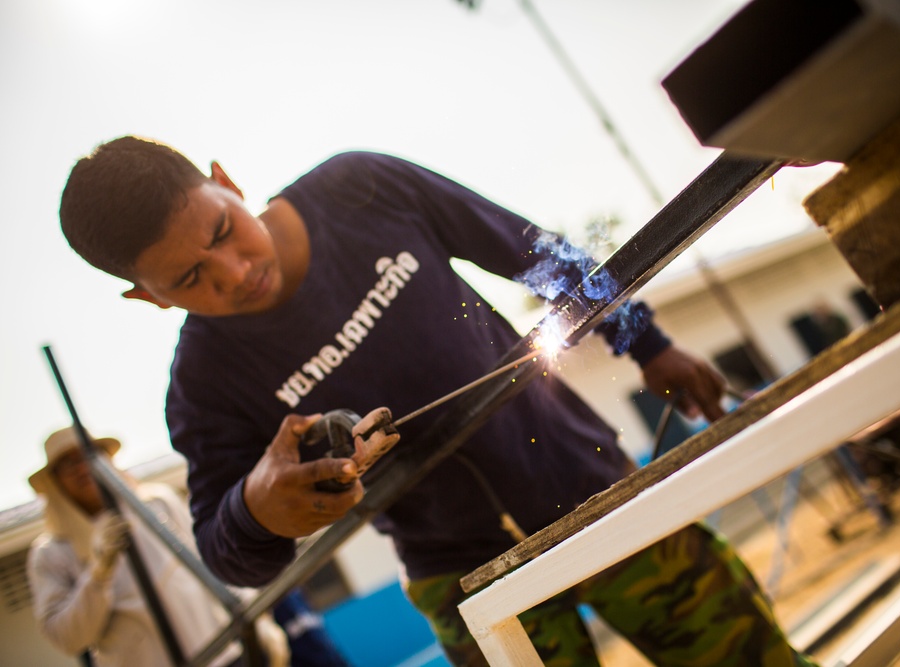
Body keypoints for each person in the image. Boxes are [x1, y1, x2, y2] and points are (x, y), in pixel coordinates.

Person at [59, 135, 817, 666]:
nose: (232, 271)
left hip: (597, 493)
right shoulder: (202, 381)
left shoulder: (361, 188)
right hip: (465, 582)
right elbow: (227, 548)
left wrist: (646, 341)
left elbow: (530, 249)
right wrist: (258, 506)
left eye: (224, 230)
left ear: (226, 177)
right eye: (189, 280)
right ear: (146, 298)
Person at [26, 426, 289, 667]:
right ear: (55, 480)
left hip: (226, 654)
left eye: (89, 454)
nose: (82, 467)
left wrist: (258, 621)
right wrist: (98, 573)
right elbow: (67, 638)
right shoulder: (51, 553)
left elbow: (212, 561)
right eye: (68, 463)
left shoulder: (156, 504)